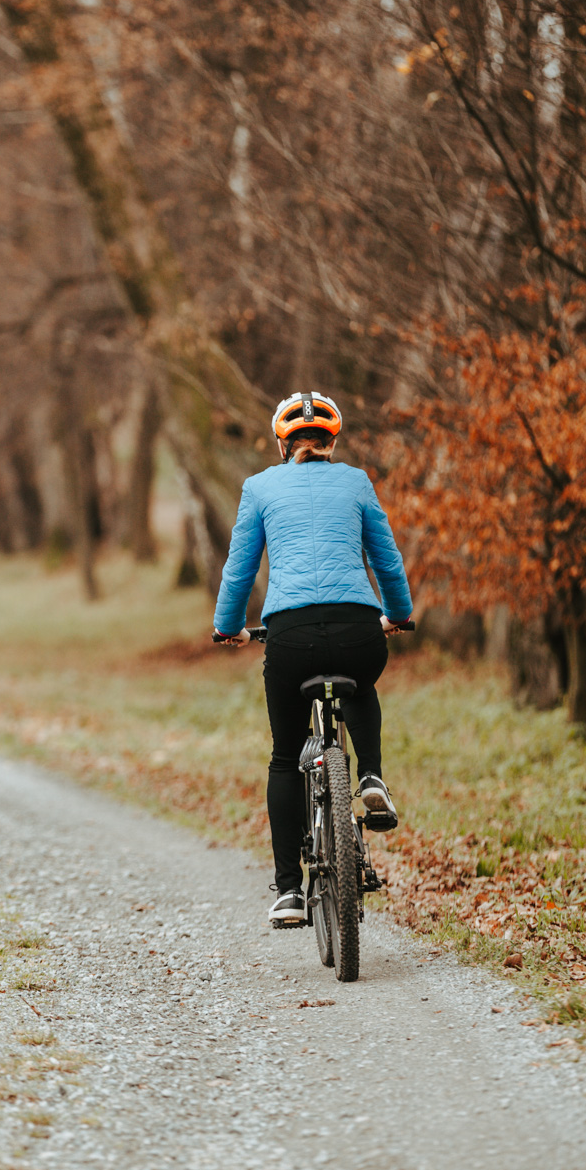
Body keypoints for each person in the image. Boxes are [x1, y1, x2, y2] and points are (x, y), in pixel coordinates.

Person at [211, 390, 414, 928]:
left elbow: (239, 569)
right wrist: (398, 614)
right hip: (356, 627)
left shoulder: (258, 488)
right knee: (362, 683)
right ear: (331, 441)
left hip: (291, 635)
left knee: (284, 757)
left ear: (283, 443)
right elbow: (387, 561)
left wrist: (227, 626)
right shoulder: (356, 482)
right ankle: (368, 776)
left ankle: (288, 892)